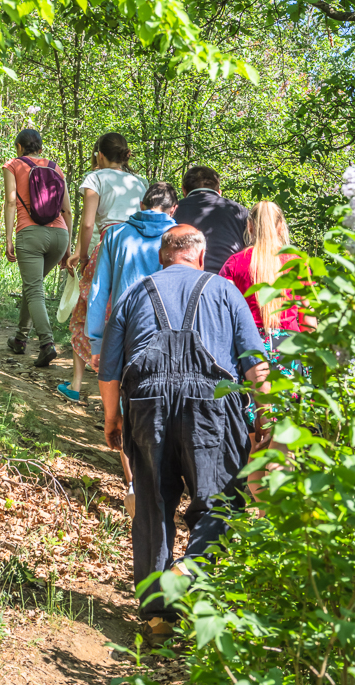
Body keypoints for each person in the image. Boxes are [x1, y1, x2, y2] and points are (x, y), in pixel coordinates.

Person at [98, 225, 269, 644]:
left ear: (162, 257)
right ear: (202, 253)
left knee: (153, 503)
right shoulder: (225, 291)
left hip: (146, 402)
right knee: (221, 501)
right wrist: (266, 415)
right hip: (212, 405)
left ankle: (159, 616)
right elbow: (255, 363)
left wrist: (111, 418)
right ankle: (191, 569)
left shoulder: (135, 292)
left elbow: (109, 368)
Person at [219, 200, 316, 505]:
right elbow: (310, 322)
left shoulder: (234, 264)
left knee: (255, 446)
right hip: (290, 356)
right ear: (280, 226)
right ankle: (277, 526)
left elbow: (222, 318)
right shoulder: (296, 263)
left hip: (250, 359)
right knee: (283, 445)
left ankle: (261, 516)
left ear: (248, 226)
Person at [57, 133, 147, 403]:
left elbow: (87, 224)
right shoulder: (141, 182)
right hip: (136, 252)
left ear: (100, 154)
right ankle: (123, 393)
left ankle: (75, 384)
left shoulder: (95, 179)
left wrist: (81, 255)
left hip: (106, 248)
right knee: (126, 314)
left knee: (85, 309)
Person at [87, 182, 178, 371]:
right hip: (169, 329)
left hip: (124, 327)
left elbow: (99, 289)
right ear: (173, 209)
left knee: (123, 387)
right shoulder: (181, 237)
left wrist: (96, 342)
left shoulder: (115, 234)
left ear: (141, 205)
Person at [2, 129, 73, 367]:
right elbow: (67, 211)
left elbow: (11, 200)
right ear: (41, 149)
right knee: (32, 286)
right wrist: (68, 248)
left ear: (19, 147)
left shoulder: (13, 165)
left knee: (33, 290)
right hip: (60, 235)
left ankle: (46, 343)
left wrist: (9, 237)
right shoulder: (56, 168)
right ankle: (20, 339)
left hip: (31, 233)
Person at [174, 165, 249, 273]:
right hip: (227, 281)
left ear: (183, 190)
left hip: (183, 281)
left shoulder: (172, 211)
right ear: (219, 192)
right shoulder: (240, 212)